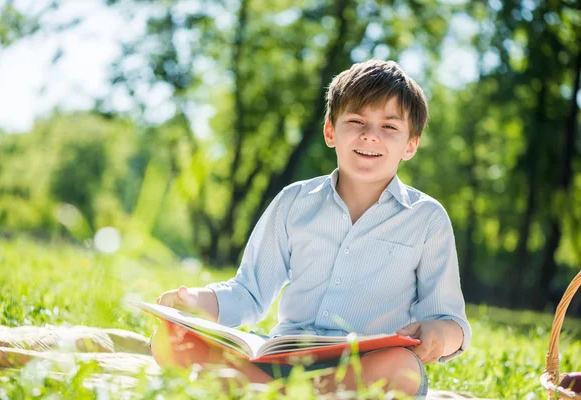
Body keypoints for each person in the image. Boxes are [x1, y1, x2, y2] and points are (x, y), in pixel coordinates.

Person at [153, 59, 472, 399]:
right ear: (330, 130)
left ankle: (270, 393)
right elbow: (249, 292)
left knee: (401, 368)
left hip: (366, 365)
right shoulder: (294, 202)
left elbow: (451, 322)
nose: (370, 135)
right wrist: (195, 302)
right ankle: (288, 390)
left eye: (390, 127)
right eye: (356, 121)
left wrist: (438, 333)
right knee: (169, 339)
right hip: (284, 357)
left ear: (411, 144)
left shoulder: (426, 219)